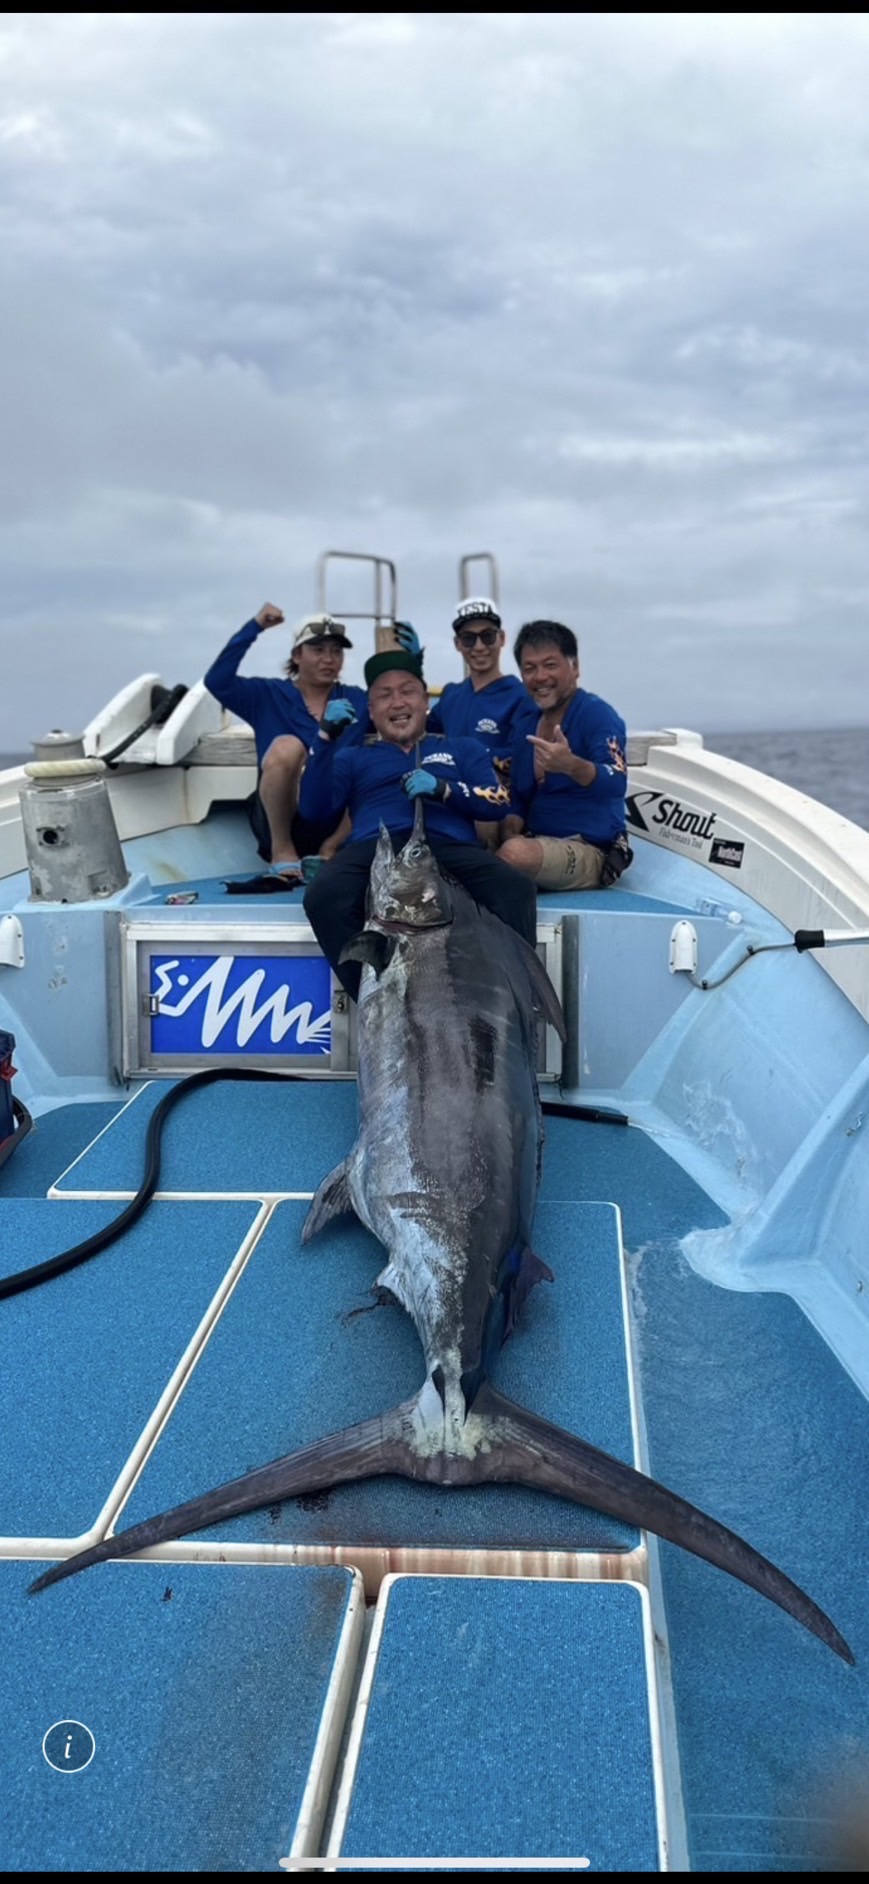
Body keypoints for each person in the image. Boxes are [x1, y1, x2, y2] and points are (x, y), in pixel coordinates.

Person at [299, 638, 538, 999]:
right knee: (322, 897)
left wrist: (445, 790)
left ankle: (517, 997)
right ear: (371, 710)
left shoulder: (462, 748)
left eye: (408, 691)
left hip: (448, 847)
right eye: (384, 695)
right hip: (375, 849)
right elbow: (313, 811)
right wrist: (324, 739)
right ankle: (375, 996)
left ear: (426, 702)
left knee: (515, 889)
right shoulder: (353, 757)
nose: (397, 702)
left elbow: (498, 801)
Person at [203, 604, 368, 875]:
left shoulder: (358, 699)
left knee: (371, 763)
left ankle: (332, 848)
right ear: (297, 655)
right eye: (318, 650)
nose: (328, 659)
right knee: (287, 746)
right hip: (281, 821)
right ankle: (282, 850)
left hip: (336, 821)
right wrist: (255, 627)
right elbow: (217, 681)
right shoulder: (266, 695)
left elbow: (402, 713)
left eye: (336, 651)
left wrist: (411, 663)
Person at [497, 619, 632, 892]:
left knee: (514, 855)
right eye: (530, 668)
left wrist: (572, 766)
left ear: (575, 667)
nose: (540, 677)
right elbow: (520, 796)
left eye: (550, 665)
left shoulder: (597, 714)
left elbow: (617, 781)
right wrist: (510, 825)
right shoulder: (526, 724)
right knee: (478, 823)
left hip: (590, 848)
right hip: (537, 839)